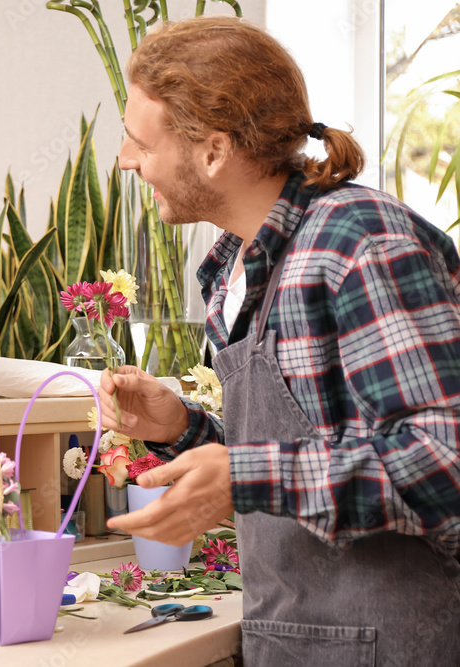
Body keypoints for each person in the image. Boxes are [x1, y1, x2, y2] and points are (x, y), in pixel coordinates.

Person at [99, 16, 460, 666]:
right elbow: (292, 466)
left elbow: (445, 460)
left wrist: (241, 473)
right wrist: (184, 426)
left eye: (139, 142)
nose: (126, 160)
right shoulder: (233, 267)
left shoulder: (361, 246)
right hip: (289, 640)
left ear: (212, 151)